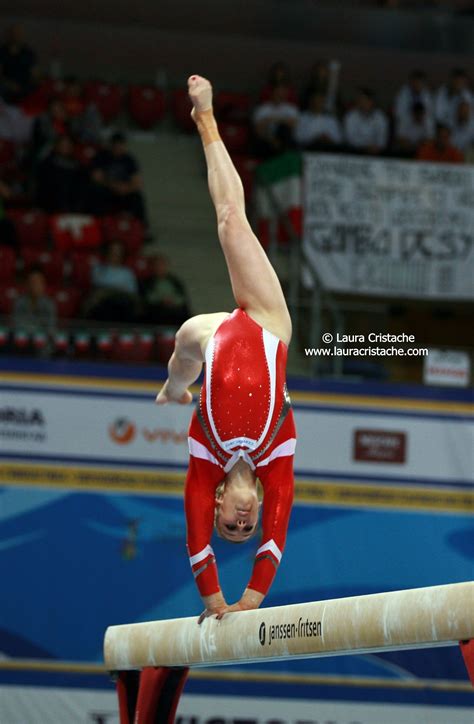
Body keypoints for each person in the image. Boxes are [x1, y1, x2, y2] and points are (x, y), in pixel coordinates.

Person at [156, 75, 296, 621]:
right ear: (256, 507)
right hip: (265, 325)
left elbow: (195, 543)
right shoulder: (277, 456)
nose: (242, 522)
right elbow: (277, 541)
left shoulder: (205, 461)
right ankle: (207, 118)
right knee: (231, 221)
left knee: (181, 351)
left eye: (229, 526)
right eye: (248, 525)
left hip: (215, 339)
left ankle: (172, 386)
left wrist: (214, 600)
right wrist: (250, 602)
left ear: (217, 504)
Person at [88, 132, 146, 221]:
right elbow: (96, 177)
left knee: (137, 198)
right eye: (116, 145)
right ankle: (100, 223)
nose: (118, 148)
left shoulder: (129, 159)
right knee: (97, 192)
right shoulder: (102, 156)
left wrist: (126, 188)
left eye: (121, 145)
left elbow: (137, 182)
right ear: (111, 145)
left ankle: (142, 228)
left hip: (124, 191)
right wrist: (113, 186)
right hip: (107, 189)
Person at [83, 240, 139, 322]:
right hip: (103, 301)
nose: (115, 254)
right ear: (107, 252)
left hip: (122, 301)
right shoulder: (98, 269)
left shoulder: (127, 273)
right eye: (112, 251)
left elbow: (131, 292)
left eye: (118, 251)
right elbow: (97, 285)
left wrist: (113, 290)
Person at [36, 134, 84, 213]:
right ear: (56, 146)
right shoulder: (47, 164)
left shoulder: (78, 167)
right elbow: (43, 189)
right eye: (63, 144)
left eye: (69, 144)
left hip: (74, 209)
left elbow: (81, 190)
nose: (66, 147)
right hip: (50, 207)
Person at [141, 254, 191, 326]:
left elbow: (182, 298)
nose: (159, 268)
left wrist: (172, 301)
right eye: (157, 265)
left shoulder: (175, 281)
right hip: (156, 309)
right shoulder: (147, 282)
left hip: (175, 309)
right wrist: (162, 300)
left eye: (162, 265)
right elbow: (147, 298)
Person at [253, 83, 299, 158]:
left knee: (285, 129)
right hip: (267, 139)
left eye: (282, 93)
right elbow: (258, 129)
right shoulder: (262, 109)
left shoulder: (291, 109)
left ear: (285, 95)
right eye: (277, 93)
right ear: (272, 93)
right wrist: (271, 139)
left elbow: (294, 125)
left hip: (284, 141)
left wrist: (271, 120)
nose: (279, 96)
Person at [0, 24, 39, 104]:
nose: (15, 36)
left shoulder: (28, 53)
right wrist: (9, 84)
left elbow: (34, 73)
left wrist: (32, 82)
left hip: (24, 86)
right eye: (13, 34)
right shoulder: (2, 52)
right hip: (6, 86)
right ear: (8, 35)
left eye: (18, 34)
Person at [344, 88, 389, 155]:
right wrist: (366, 147)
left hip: (376, 154)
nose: (363, 104)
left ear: (372, 102)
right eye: (361, 101)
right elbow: (350, 139)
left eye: (366, 101)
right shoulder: (350, 117)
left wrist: (375, 147)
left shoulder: (381, 117)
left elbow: (382, 140)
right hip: (354, 153)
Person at [12, 267, 56, 335]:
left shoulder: (49, 304)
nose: (35, 285)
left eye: (38, 282)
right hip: (23, 339)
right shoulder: (19, 302)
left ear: (43, 285)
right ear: (27, 284)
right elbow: (16, 325)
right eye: (32, 282)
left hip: (42, 340)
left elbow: (51, 327)